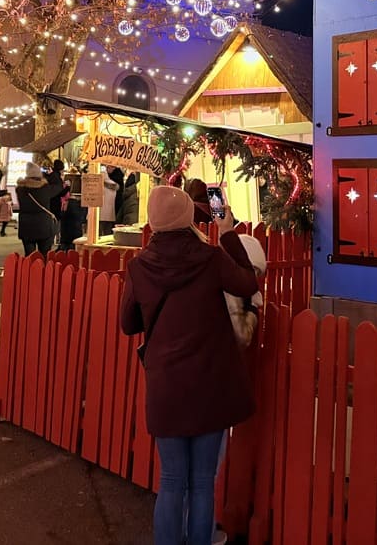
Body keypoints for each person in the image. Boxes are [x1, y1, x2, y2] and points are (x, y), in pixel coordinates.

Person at [121, 190, 257, 545]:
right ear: (186, 217)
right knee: (202, 482)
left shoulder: (138, 266)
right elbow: (248, 282)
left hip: (166, 386)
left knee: (171, 479)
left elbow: (128, 324)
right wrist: (227, 232)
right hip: (210, 382)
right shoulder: (210, 259)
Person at [16, 163, 58, 256]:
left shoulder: (20, 189)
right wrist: (52, 173)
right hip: (44, 226)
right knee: (44, 256)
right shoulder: (45, 188)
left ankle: (29, 270)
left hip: (26, 226)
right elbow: (58, 186)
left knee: (29, 256)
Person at [99, 167, 121, 237]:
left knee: (99, 234)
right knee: (107, 234)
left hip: (99, 213)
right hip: (109, 213)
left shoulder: (111, 182)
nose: (112, 169)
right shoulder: (114, 183)